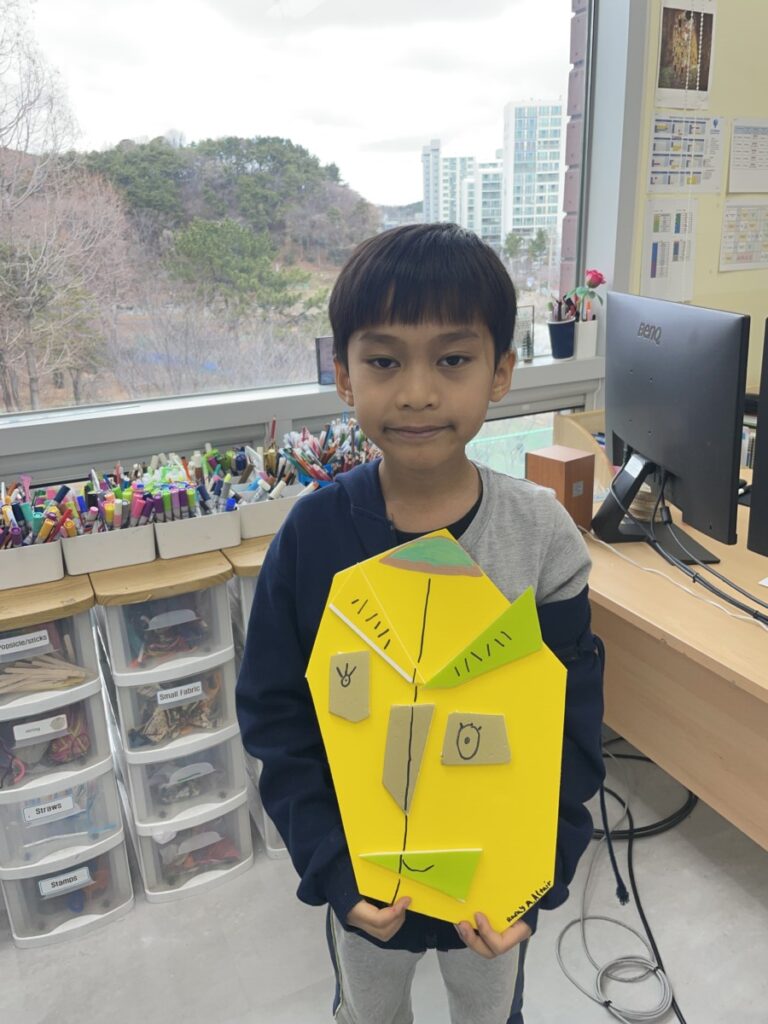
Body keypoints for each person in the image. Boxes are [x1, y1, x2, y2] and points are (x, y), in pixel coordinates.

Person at [236, 222, 605, 1024]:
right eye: (383, 361)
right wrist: (334, 869)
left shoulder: (541, 537)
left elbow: (569, 728)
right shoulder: (310, 539)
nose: (416, 392)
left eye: (452, 360)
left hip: (495, 889)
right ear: (343, 375)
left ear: (501, 372)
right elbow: (277, 719)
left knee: (488, 1012)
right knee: (372, 1013)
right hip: (367, 885)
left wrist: (537, 875)